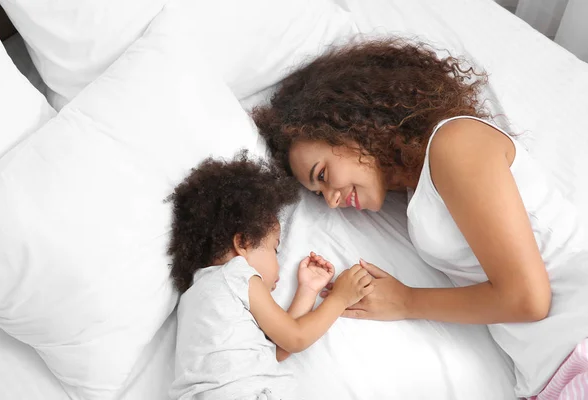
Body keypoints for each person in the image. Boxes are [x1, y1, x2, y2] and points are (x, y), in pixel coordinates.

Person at [252, 38, 588, 399]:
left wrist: (407, 301)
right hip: (549, 371)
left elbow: (528, 299)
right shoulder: (420, 186)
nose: (332, 201)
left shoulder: (455, 144)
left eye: (322, 175)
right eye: (318, 194)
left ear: (350, 126)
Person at [167, 151, 373, 400]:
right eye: (275, 248)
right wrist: (340, 298)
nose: (278, 260)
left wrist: (307, 290)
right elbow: (295, 338)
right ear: (242, 242)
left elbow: (276, 349)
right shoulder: (237, 274)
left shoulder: (195, 296)